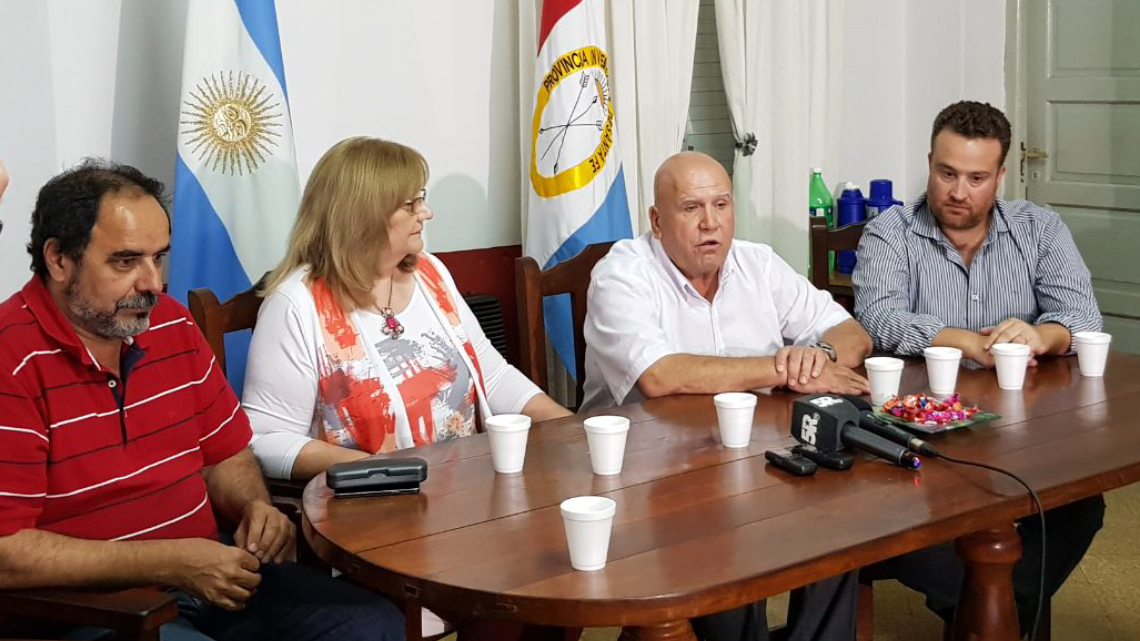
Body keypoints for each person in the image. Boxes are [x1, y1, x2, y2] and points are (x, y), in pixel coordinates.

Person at [0, 160, 405, 641]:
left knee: (374, 624)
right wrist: (174, 561)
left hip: (211, 576)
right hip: (95, 611)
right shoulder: (11, 357)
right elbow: (7, 552)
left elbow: (224, 454)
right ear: (58, 259)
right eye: (126, 262)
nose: (152, 283)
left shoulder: (170, 323)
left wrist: (254, 507)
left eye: (158, 258)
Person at [582, 151, 872, 641]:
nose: (710, 223)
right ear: (657, 220)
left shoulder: (758, 263)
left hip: (755, 460)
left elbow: (852, 334)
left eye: (721, 204)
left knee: (839, 520)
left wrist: (816, 356)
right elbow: (660, 375)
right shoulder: (622, 273)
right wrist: (782, 366)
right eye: (691, 208)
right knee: (725, 555)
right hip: (649, 478)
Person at [853, 100, 1105, 633]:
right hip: (922, 443)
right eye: (946, 173)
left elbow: (1083, 315)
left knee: (1081, 508)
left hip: (1026, 438)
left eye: (976, 178)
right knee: (914, 533)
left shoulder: (1040, 229)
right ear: (929, 163)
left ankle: (994, 616)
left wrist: (1043, 335)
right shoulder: (889, 232)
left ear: (1000, 175)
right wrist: (964, 342)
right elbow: (877, 319)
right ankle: (1003, 617)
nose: (958, 192)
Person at [243, 136, 570, 482]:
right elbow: (267, 438)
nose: (426, 213)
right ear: (362, 217)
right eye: (411, 204)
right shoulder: (296, 305)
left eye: (421, 199)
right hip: (374, 501)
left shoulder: (430, 272)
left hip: (466, 486)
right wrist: (379, 471)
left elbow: (493, 377)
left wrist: (571, 427)